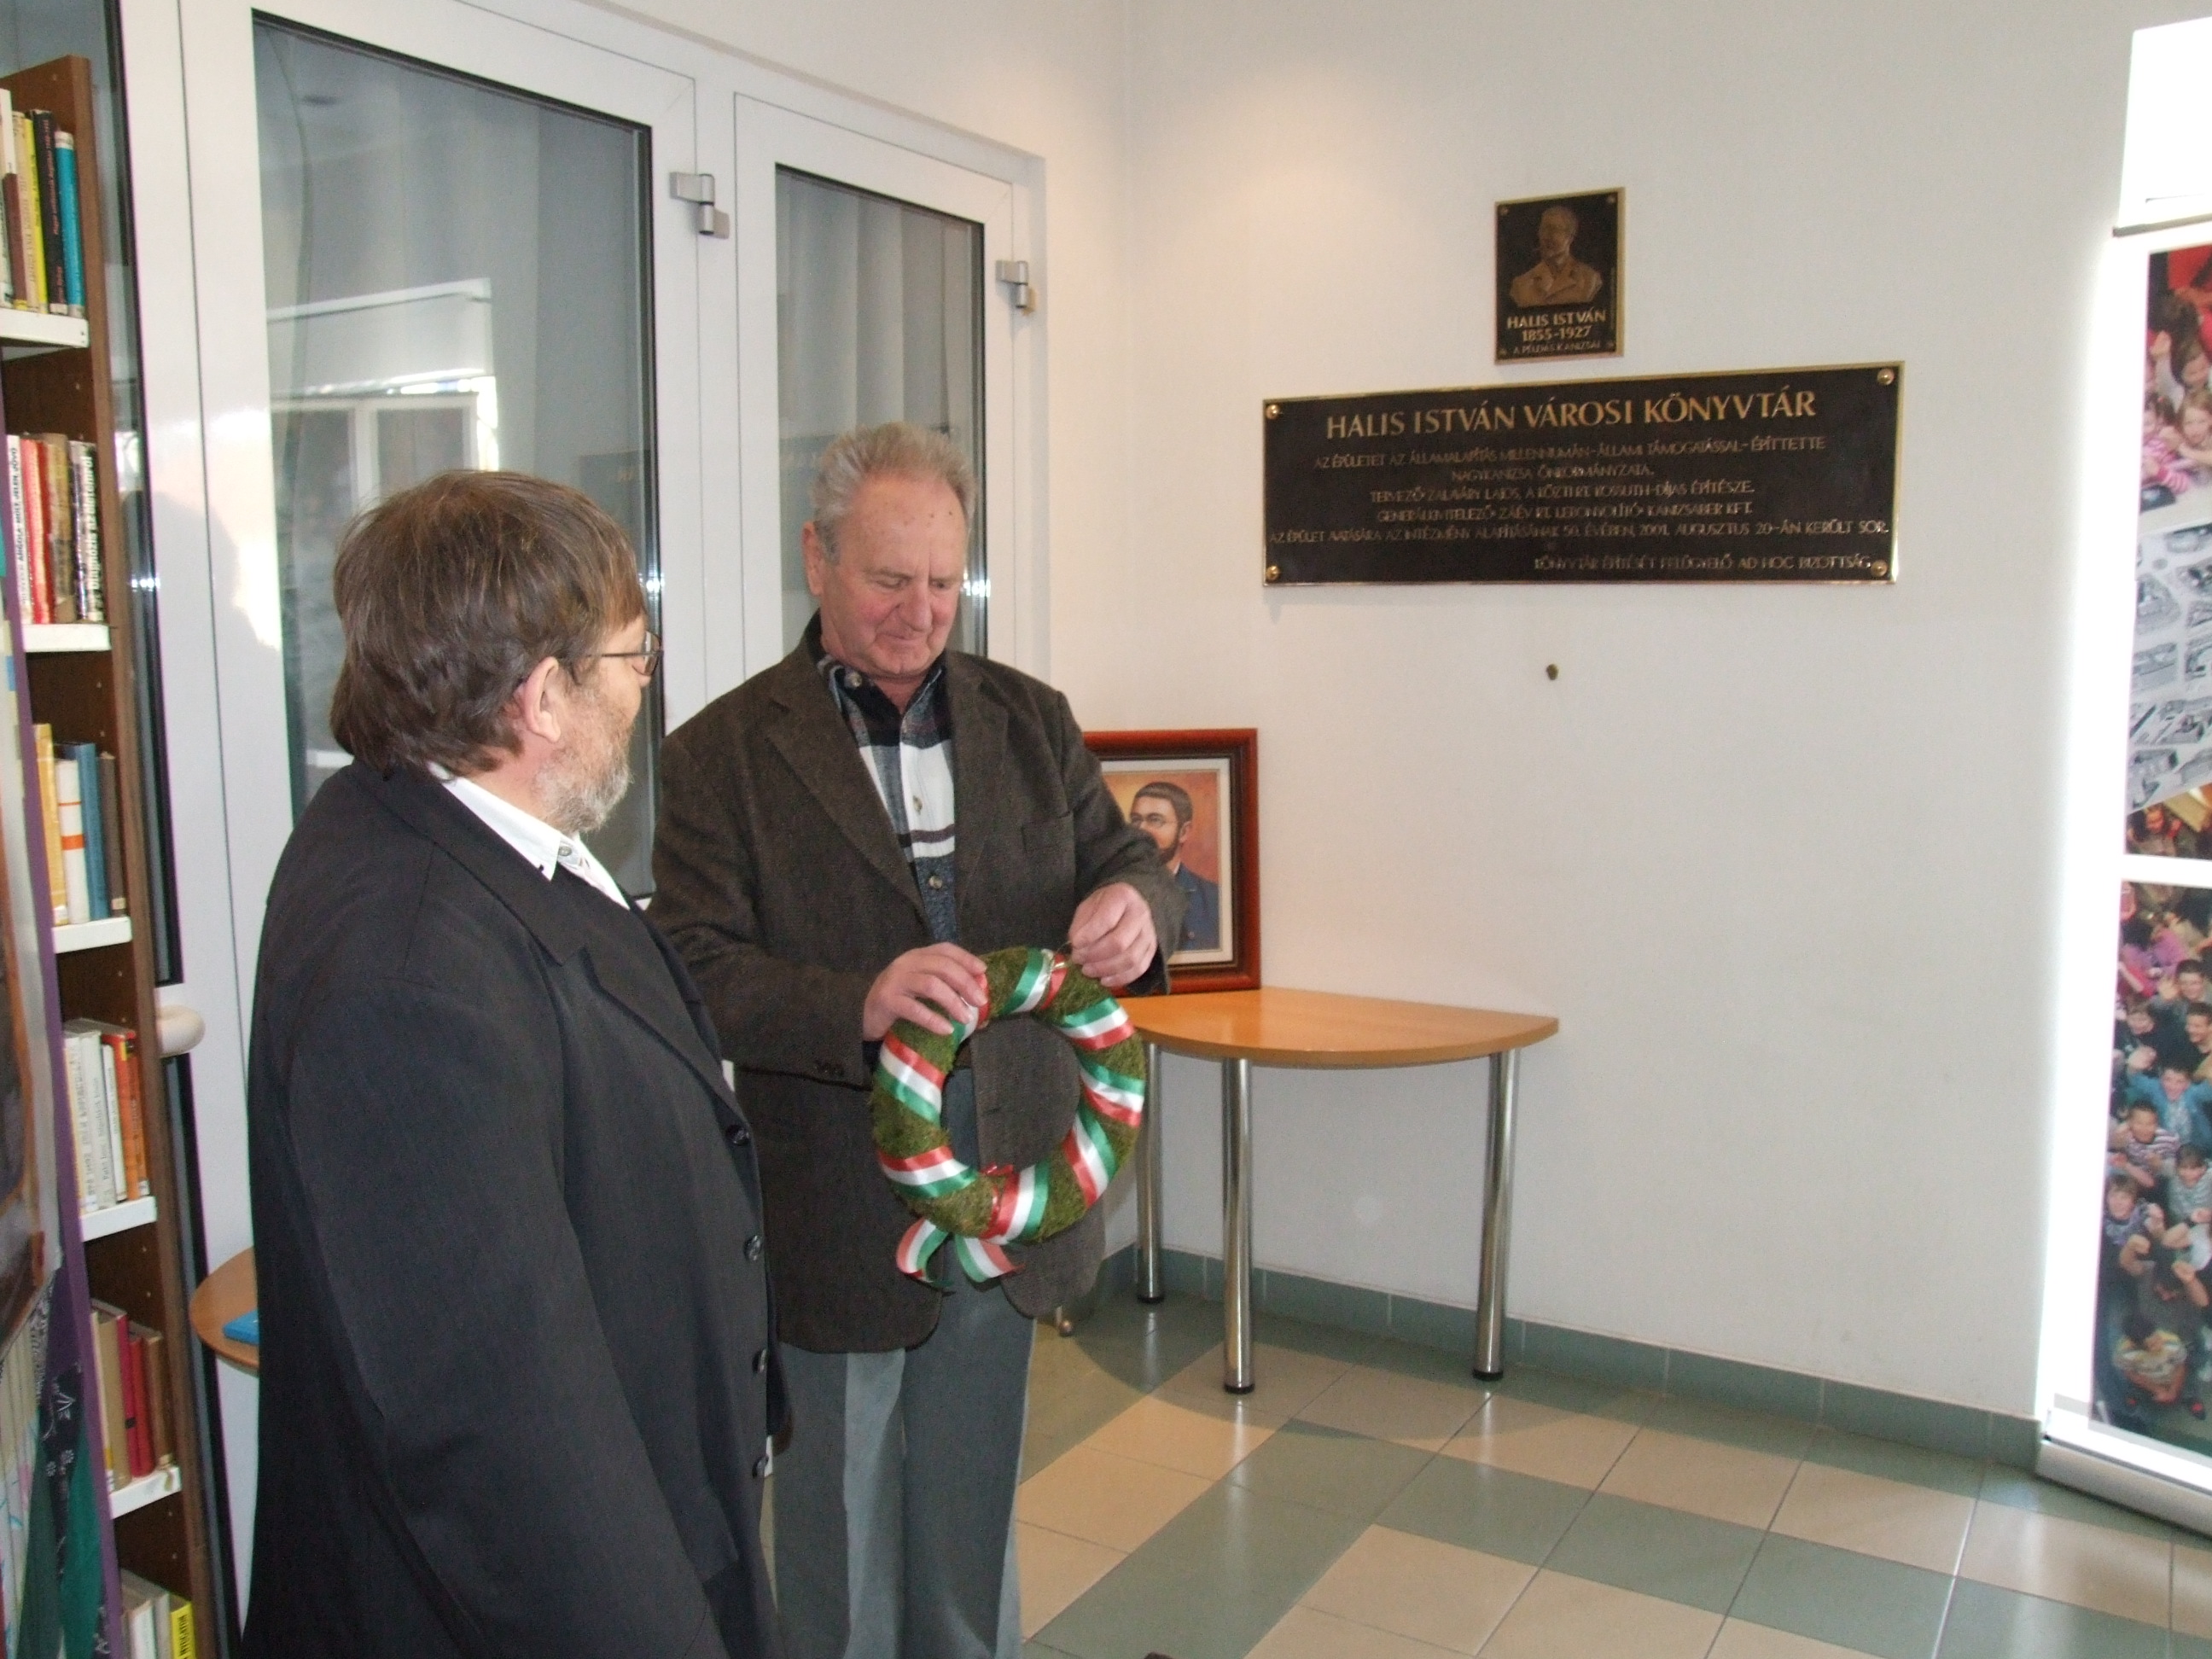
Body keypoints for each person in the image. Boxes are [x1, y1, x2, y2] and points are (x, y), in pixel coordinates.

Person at [650, 422, 1183, 1659]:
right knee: (834, 1533)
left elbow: (1131, 862)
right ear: (817, 558)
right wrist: (857, 1002)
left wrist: (1135, 909)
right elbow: (693, 970)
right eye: (891, 579)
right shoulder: (722, 754)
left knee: (971, 1513)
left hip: (1010, 1178)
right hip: (837, 1199)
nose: (923, 612)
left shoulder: (1030, 719)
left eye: (946, 581)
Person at [242, 472, 782, 1658]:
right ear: (543, 699)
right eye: (634, 657)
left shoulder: (448, 829)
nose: (645, 686)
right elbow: (505, 1434)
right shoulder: (405, 975)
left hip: (658, 1491)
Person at [1129, 780, 1221, 952]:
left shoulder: (1214, 900)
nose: (1141, 830)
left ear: (1183, 832)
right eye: (1135, 820)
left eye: (1155, 820)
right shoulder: (1107, 893)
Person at [1508, 203, 1604, 309]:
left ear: (1570, 236)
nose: (1547, 237)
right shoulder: (1521, 285)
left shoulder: (1590, 280)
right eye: (1543, 229)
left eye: (1554, 229)